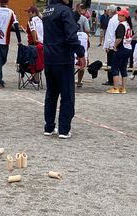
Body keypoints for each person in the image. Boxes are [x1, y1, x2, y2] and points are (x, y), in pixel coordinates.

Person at [42, 0, 85, 139]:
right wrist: (80, 53)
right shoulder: (65, 11)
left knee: (51, 94)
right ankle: (64, 130)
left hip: (49, 58)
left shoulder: (47, 10)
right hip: (63, 59)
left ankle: (49, 127)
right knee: (67, 96)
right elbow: (71, 36)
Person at [107, 9, 132, 94]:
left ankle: (115, 88)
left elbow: (119, 38)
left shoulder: (121, 25)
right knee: (123, 68)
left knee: (115, 67)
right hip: (128, 48)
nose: (118, 16)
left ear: (124, 17)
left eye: (120, 15)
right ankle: (123, 88)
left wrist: (114, 46)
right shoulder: (128, 25)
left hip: (122, 48)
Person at [102, 4, 119, 86]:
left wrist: (107, 46)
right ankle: (115, 79)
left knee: (110, 63)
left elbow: (109, 34)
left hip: (112, 45)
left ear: (111, 11)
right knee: (116, 63)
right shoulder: (119, 18)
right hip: (118, 44)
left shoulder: (112, 20)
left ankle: (111, 80)